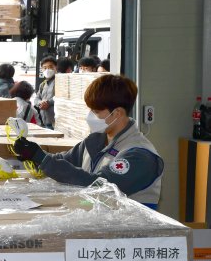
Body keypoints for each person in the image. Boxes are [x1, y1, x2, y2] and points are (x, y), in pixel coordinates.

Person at [13, 74, 163, 209]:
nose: (90, 116)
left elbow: (99, 185)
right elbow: (64, 161)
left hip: (131, 233)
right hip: (97, 221)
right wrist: (34, 156)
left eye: (96, 112)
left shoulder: (139, 155)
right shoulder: (96, 141)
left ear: (117, 113)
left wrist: (42, 158)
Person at [34, 56, 56, 129]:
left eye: (50, 67)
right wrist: (40, 103)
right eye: (45, 68)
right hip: (45, 121)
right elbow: (36, 99)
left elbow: (61, 98)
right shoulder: (43, 84)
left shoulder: (60, 82)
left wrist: (48, 103)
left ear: (56, 68)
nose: (47, 70)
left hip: (56, 122)